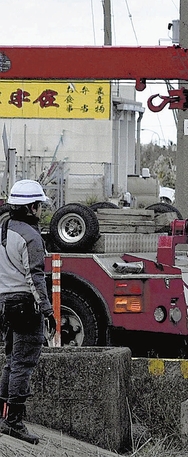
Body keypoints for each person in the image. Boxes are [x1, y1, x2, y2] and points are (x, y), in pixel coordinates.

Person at [0, 179, 54, 444]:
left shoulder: (3, 228)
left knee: (11, 360)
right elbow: (35, 276)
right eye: (40, 205)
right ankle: (14, 422)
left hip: (4, 303)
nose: (41, 210)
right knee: (24, 363)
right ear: (32, 207)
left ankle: (2, 416)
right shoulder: (31, 236)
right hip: (25, 305)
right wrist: (47, 309)